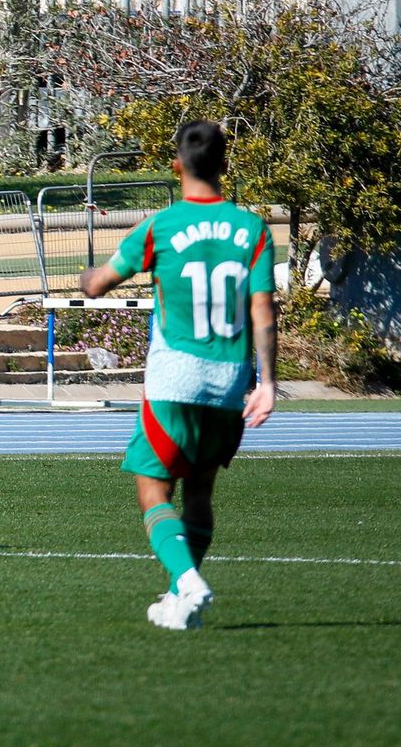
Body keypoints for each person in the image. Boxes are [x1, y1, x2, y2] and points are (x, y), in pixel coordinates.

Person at [80, 120, 278, 631]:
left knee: (153, 491)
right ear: (225, 166)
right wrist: (268, 383)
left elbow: (100, 284)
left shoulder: (161, 227)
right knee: (201, 493)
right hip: (229, 382)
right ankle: (176, 601)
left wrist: (87, 279)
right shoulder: (252, 229)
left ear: (176, 165)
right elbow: (263, 311)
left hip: (174, 382)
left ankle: (186, 580)